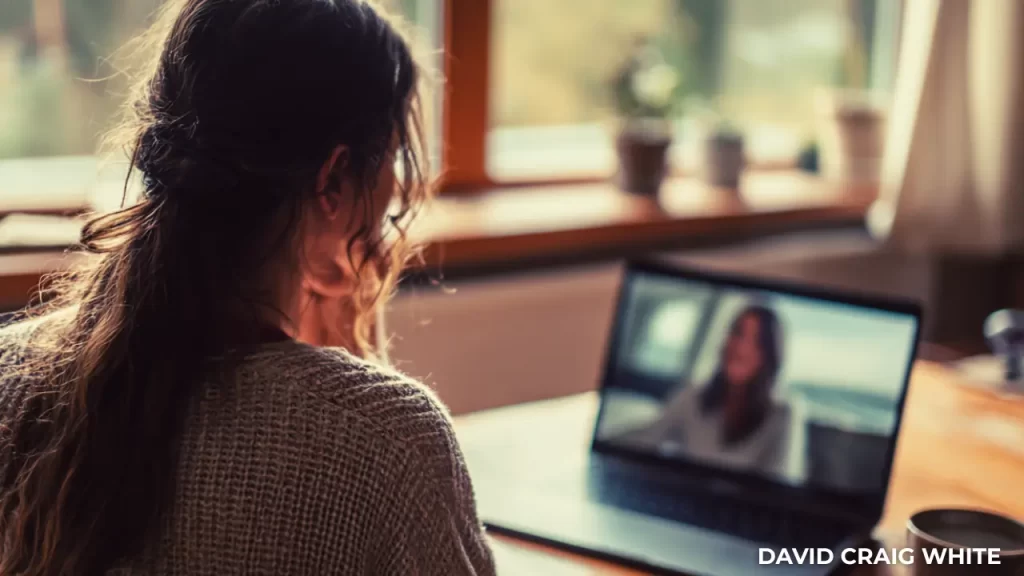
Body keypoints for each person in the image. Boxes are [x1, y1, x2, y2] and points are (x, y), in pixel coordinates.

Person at [0, 1, 495, 575]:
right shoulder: (386, 439)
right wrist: (354, 368)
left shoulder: (12, 375)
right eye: (392, 157)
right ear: (334, 178)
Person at [618, 305, 802, 480]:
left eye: (756, 342)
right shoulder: (693, 395)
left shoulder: (783, 415)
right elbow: (646, 438)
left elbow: (778, 488)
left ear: (770, 357)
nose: (741, 348)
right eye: (738, 333)